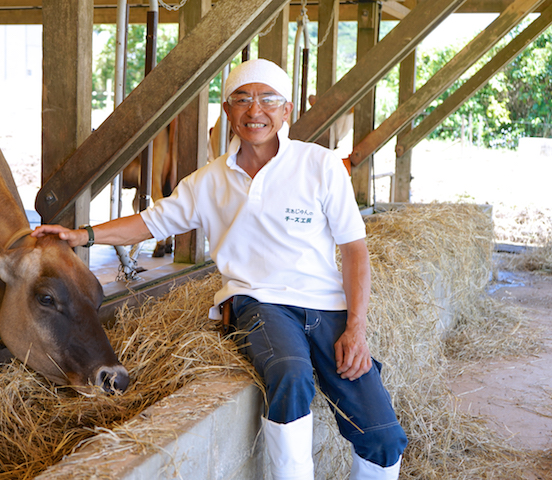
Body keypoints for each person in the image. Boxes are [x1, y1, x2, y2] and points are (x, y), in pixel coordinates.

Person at [32, 58, 407, 480]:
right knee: (290, 372)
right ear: (227, 112)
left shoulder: (320, 166)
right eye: (242, 100)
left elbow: (355, 250)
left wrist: (356, 327)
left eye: (268, 100)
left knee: (385, 437)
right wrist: (84, 235)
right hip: (258, 301)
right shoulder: (209, 181)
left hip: (325, 305)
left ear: (286, 111)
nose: (255, 111)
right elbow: (151, 222)